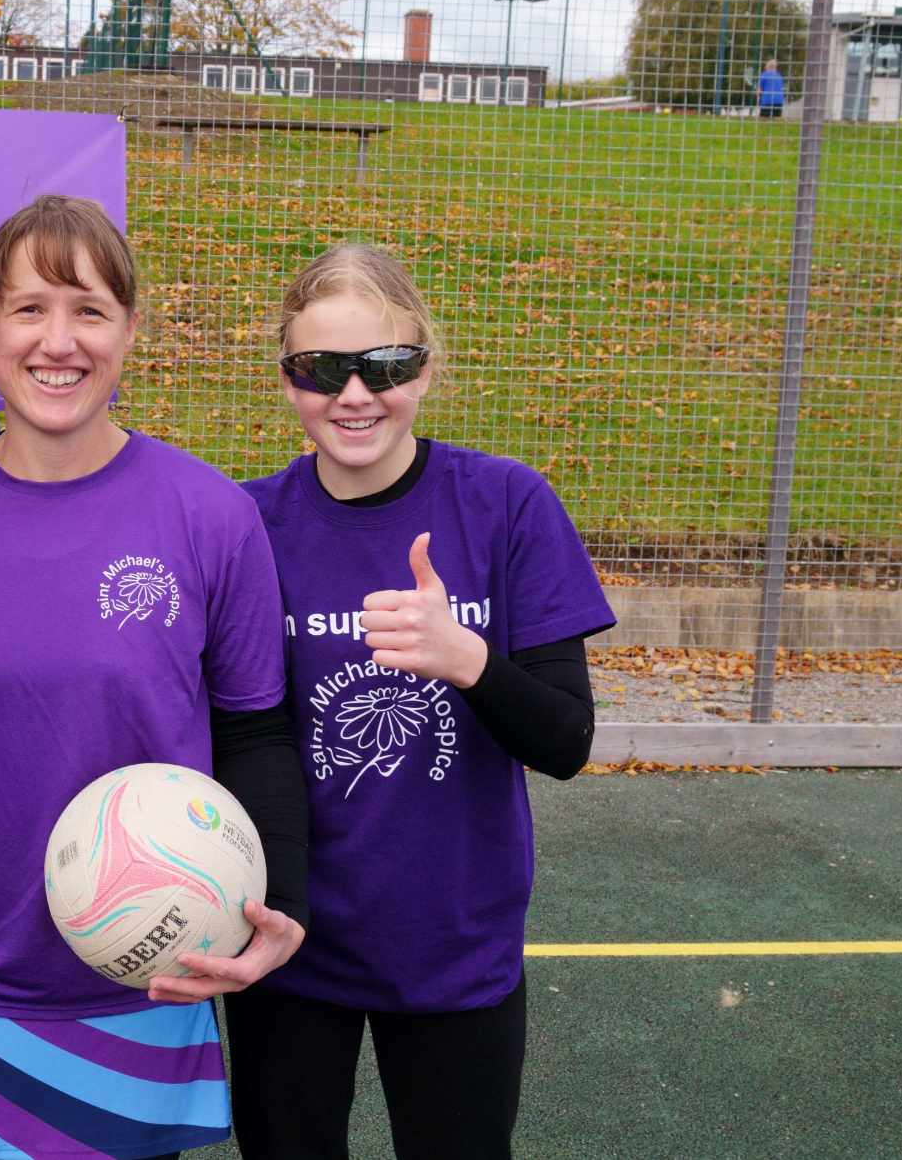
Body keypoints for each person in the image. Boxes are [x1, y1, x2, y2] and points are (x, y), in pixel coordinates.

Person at [0, 195, 310, 1160]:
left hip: (149, 966)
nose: (59, 341)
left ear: (131, 330)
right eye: (29, 308)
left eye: (89, 309)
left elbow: (254, 731)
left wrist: (279, 904)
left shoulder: (210, 515)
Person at [229, 243, 616, 1160]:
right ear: (287, 379)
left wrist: (468, 659)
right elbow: (241, 732)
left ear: (427, 367)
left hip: (455, 941)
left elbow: (567, 740)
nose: (354, 395)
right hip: (290, 940)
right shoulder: (246, 523)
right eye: (321, 369)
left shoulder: (507, 505)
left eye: (385, 366)